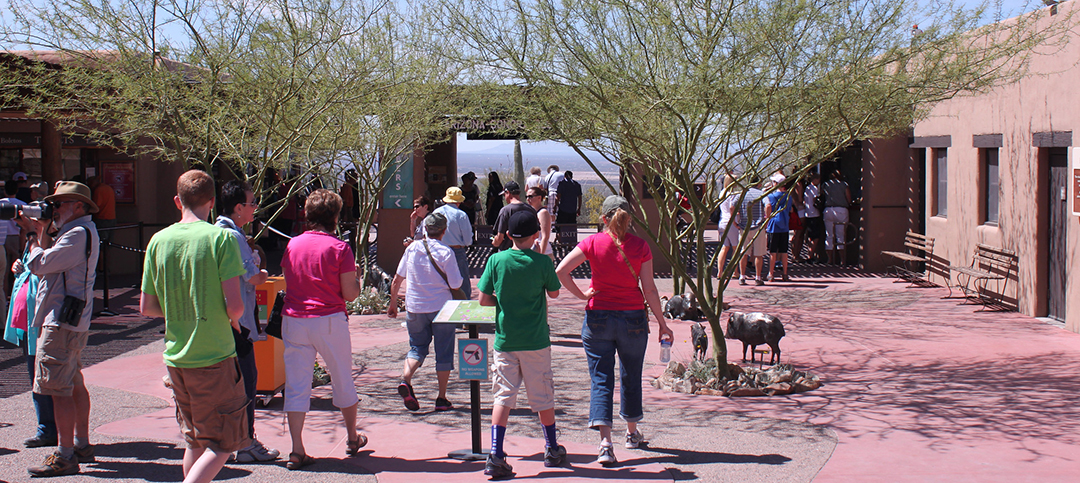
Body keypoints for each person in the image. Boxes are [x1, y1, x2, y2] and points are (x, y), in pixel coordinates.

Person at [140, 171, 247, 483]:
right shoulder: (221, 238)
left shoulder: (158, 241)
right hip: (214, 354)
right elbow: (235, 305)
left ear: (178, 201)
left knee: (195, 440)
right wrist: (234, 320)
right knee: (223, 442)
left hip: (176, 358)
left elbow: (147, 307)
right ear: (212, 202)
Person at [554, 195, 673, 467]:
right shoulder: (641, 246)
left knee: (601, 379)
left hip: (597, 317)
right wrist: (662, 323)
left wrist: (582, 295)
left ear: (604, 219)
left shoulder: (593, 243)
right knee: (631, 374)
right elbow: (650, 289)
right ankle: (631, 433)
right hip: (632, 319)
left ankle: (605, 443)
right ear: (628, 218)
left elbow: (561, 271)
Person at [279, 189, 366, 469]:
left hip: (294, 319)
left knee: (296, 384)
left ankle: (296, 449)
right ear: (335, 216)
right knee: (342, 377)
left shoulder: (293, 245)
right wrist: (359, 281)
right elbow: (350, 293)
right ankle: (352, 437)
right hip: (328, 319)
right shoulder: (340, 248)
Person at [18, 181, 99, 477]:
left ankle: (66, 455)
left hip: (60, 323)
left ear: (79, 206)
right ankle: (81, 444)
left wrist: (33, 232)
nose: (55, 209)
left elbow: (39, 264)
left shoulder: (76, 234)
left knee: (58, 389)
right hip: (71, 321)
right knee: (73, 381)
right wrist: (44, 229)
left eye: (60, 203)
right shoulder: (80, 231)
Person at [478, 210, 564, 478]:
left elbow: (483, 299)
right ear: (535, 234)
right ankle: (551, 447)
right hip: (536, 339)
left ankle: (495, 453)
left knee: (503, 395)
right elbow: (554, 292)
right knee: (542, 395)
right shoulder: (542, 263)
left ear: (510, 235)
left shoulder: (496, 260)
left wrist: (503, 303)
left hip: (506, 339)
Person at [214, 180, 279, 464]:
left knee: (227, 386)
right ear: (238, 207)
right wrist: (263, 271)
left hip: (220, 322)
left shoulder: (216, 232)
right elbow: (251, 276)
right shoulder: (231, 236)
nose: (255, 208)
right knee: (247, 382)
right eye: (252, 203)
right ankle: (246, 443)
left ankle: (224, 442)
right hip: (236, 323)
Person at [387, 212, 461, 412]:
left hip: (415, 307)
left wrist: (393, 303)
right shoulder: (446, 252)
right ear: (444, 232)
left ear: (425, 230)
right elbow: (456, 283)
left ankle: (406, 379)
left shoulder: (411, 249)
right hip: (441, 308)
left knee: (417, 348)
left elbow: (397, 279)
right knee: (443, 351)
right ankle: (441, 397)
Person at [3, 234, 54, 450]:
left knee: (45, 378)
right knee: (35, 377)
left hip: (43, 322)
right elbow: (29, 271)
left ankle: (51, 429)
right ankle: (46, 427)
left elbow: (42, 270)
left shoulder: (50, 240)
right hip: (28, 323)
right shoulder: (31, 239)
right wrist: (18, 267)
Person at [434, 187, 474, 299]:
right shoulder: (461, 215)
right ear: (459, 201)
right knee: (462, 283)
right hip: (457, 251)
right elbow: (467, 240)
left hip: (438, 250)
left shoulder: (436, 212)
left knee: (440, 280)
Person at [735, 178, 767, 286]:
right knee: (759, 254)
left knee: (743, 253)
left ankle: (742, 276)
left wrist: (734, 221)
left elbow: (732, 206)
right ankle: (758, 277)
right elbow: (768, 205)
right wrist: (766, 220)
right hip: (758, 226)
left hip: (744, 226)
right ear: (759, 183)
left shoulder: (742, 194)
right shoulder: (761, 194)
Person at [491, 181, 536, 252]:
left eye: (504, 195)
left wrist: (494, 242)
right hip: (528, 253)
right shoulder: (531, 209)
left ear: (508, 193)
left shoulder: (505, 211)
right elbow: (536, 234)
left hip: (507, 253)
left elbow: (500, 238)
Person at [763, 177, 793, 282]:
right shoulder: (789, 196)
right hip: (784, 225)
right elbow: (791, 209)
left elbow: (768, 207)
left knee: (772, 251)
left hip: (773, 225)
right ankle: (785, 273)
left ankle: (771, 273)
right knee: (784, 251)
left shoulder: (770, 196)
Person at [822, 170, 852, 265]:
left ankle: (830, 259)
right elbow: (849, 198)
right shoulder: (844, 184)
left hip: (828, 209)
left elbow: (822, 194)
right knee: (840, 236)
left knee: (829, 235)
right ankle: (842, 260)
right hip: (841, 210)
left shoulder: (826, 184)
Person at [715, 175, 741, 275]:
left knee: (724, 247)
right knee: (735, 247)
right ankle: (735, 271)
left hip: (722, 221)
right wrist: (735, 221)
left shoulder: (722, 193)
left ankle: (720, 271)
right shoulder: (733, 194)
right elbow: (732, 208)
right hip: (731, 222)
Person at [525, 186, 554, 261]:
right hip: (534, 251)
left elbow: (545, 237)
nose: (528, 199)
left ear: (539, 198)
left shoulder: (543, 213)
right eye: (527, 196)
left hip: (544, 253)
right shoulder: (533, 212)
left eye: (531, 196)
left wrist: (540, 256)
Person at [802, 173, 824, 262]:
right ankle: (810, 256)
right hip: (814, 214)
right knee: (816, 236)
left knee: (811, 235)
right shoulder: (814, 189)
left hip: (808, 213)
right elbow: (815, 200)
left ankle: (809, 253)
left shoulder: (807, 189)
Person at [788, 177, 807, 263]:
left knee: (797, 233)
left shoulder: (788, 189)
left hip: (792, 210)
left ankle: (794, 254)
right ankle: (796, 255)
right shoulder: (797, 186)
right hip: (799, 210)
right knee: (799, 233)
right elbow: (799, 199)